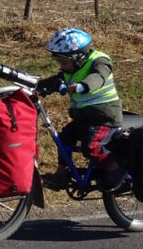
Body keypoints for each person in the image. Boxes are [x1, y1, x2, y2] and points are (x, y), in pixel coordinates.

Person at [36, 27, 126, 193]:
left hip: (105, 118)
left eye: (64, 62)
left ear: (78, 57)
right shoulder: (71, 69)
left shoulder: (100, 62)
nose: (61, 67)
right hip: (84, 119)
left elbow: (98, 77)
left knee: (91, 146)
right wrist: (38, 88)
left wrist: (83, 86)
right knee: (63, 139)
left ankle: (115, 169)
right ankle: (62, 175)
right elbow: (56, 81)